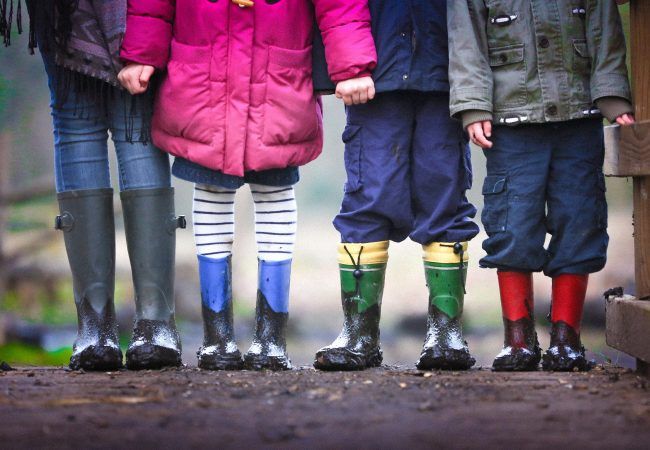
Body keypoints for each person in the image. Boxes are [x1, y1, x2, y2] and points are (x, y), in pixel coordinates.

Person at [118, 0, 377, 371]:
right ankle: (217, 337)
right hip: (203, 77)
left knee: (274, 194)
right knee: (211, 191)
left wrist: (351, 65)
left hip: (277, 79)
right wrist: (143, 51)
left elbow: (341, 6)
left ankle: (271, 338)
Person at [448, 0, 634, 371]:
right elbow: (465, 40)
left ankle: (567, 339)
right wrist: (474, 106)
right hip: (510, 120)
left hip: (579, 114)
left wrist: (612, 95)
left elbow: (604, 27)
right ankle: (518, 339)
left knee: (579, 221)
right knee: (511, 225)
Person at [1, 0, 185, 371]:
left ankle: (141, 322)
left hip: (126, 16)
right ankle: (104, 324)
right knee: (82, 123)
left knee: (125, 124)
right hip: (67, 15)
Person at [313, 0, 480, 372]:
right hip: (372, 75)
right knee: (368, 197)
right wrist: (347, 63)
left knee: (446, 198)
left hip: (449, 73)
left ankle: (446, 330)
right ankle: (359, 333)